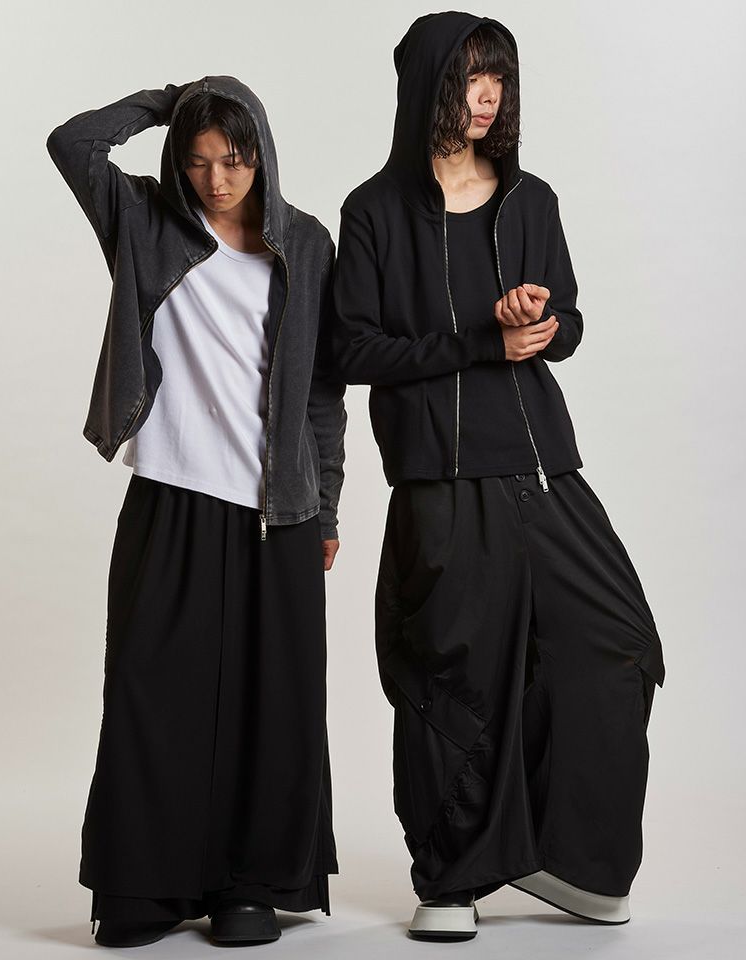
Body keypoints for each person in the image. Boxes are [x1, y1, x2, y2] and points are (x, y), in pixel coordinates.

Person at [331, 12, 666, 941]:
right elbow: (352, 348)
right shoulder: (373, 211)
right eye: (471, 76)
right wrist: (481, 339)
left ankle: (566, 857)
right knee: (453, 675)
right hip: (439, 478)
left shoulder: (533, 201)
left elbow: (572, 325)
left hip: (542, 466)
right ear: (428, 85)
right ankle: (451, 879)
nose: (488, 96)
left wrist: (541, 320)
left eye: (500, 78)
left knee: (617, 645)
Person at [46, 76, 346, 948]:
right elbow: (72, 143)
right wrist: (173, 100)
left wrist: (326, 507)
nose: (218, 180)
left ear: (263, 157)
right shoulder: (143, 219)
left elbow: (323, 390)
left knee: (272, 704)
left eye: (235, 160)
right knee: (152, 691)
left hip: (276, 509)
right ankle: (145, 887)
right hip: (172, 492)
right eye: (200, 160)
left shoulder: (307, 244)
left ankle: (249, 886)